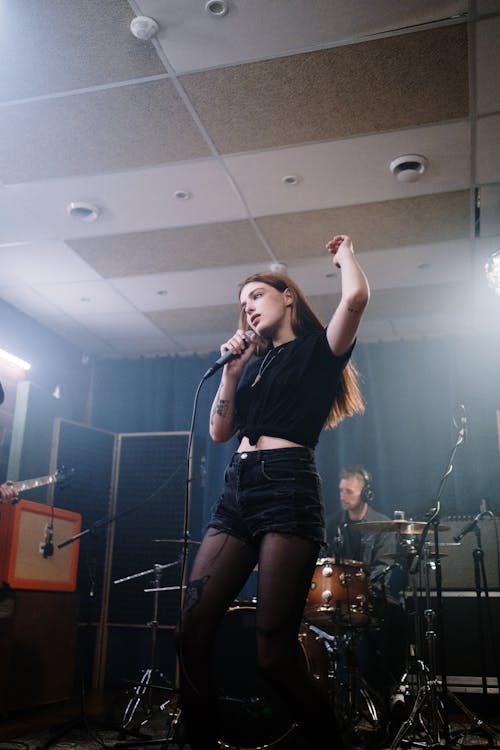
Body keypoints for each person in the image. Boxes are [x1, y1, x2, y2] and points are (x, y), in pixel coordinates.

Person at [175, 234, 370, 750]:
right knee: (190, 633)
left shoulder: (318, 351)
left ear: (287, 296)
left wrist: (344, 253)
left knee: (273, 656)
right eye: (243, 306)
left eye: (256, 296)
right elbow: (221, 432)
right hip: (237, 490)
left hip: (288, 488)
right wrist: (232, 374)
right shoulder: (253, 366)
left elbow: (354, 300)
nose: (248, 309)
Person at [325, 466, 408, 732]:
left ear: (365, 493)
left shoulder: (382, 526)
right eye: (341, 490)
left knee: (385, 624)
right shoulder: (333, 524)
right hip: (339, 602)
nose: (343, 496)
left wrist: (359, 590)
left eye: (349, 491)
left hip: (373, 601)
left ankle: (387, 699)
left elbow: (382, 571)